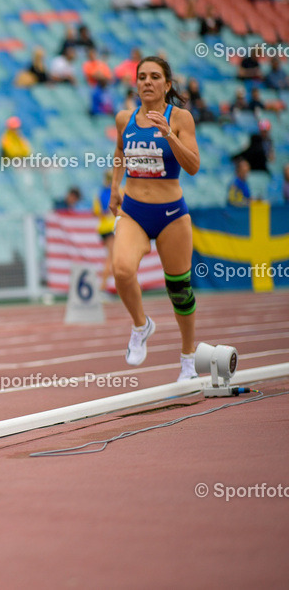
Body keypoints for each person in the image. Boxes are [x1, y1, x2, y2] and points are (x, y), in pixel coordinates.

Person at [109, 55, 201, 381]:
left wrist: (169, 135)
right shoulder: (124, 118)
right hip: (134, 211)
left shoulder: (181, 118)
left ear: (167, 84)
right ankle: (141, 325)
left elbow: (193, 166)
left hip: (171, 215)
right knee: (122, 271)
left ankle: (188, 357)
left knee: (179, 289)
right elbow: (120, 151)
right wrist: (115, 187)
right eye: (142, 77)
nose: (147, 81)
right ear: (136, 84)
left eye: (154, 76)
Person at [93, 173, 117, 290]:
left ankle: (106, 283)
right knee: (112, 256)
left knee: (113, 256)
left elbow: (96, 212)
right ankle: (103, 285)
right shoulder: (116, 192)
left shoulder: (100, 193)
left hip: (103, 228)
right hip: (112, 227)